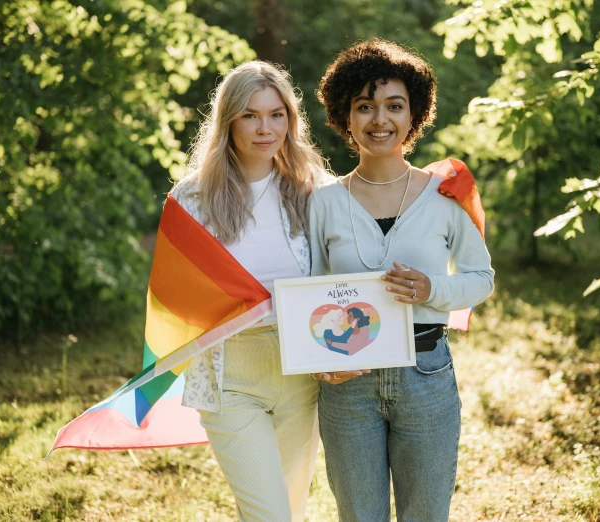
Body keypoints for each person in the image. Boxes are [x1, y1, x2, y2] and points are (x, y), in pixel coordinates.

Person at [308, 39, 495, 522]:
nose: (379, 120)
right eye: (364, 106)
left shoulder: (446, 195)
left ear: (415, 115)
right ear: (343, 116)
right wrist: (321, 363)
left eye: (394, 106)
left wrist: (434, 290)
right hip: (348, 383)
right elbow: (307, 293)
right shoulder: (322, 202)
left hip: (426, 374)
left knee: (426, 515)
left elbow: (481, 279)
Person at [171, 60, 330, 521]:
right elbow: (177, 297)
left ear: (291, 120)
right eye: (251, 115)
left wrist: (427, 192)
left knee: (291, 509)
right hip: (230, 374)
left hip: (302, 371)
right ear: (228, 120)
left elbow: (353, 256)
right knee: (270, 515)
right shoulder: (192, 198)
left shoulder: (314, 190)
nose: (266, 128)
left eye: (276, 114)